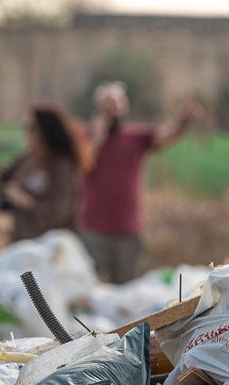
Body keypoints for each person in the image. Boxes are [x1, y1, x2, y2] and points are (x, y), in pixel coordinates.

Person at [80, 82, 201, 282]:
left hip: (127, 230)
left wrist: (183, 121)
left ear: (124, 108)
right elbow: (82, 166)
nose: (111, 110)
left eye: (115, 104)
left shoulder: (135, 137)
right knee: (91, 287)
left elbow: (165, 136)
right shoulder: (86, 138)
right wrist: (97, 139)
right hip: (94, 229)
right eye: (106, 105)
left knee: (126, 290)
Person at [0, 104, 91, 241]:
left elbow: (59, 213)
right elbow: (2, 179)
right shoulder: (27, 159)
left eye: (31, 129)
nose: (26, 133)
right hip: (23, 242)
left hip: (51, 248)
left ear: (45, 132)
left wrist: (26, 202)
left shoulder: (63, 167)